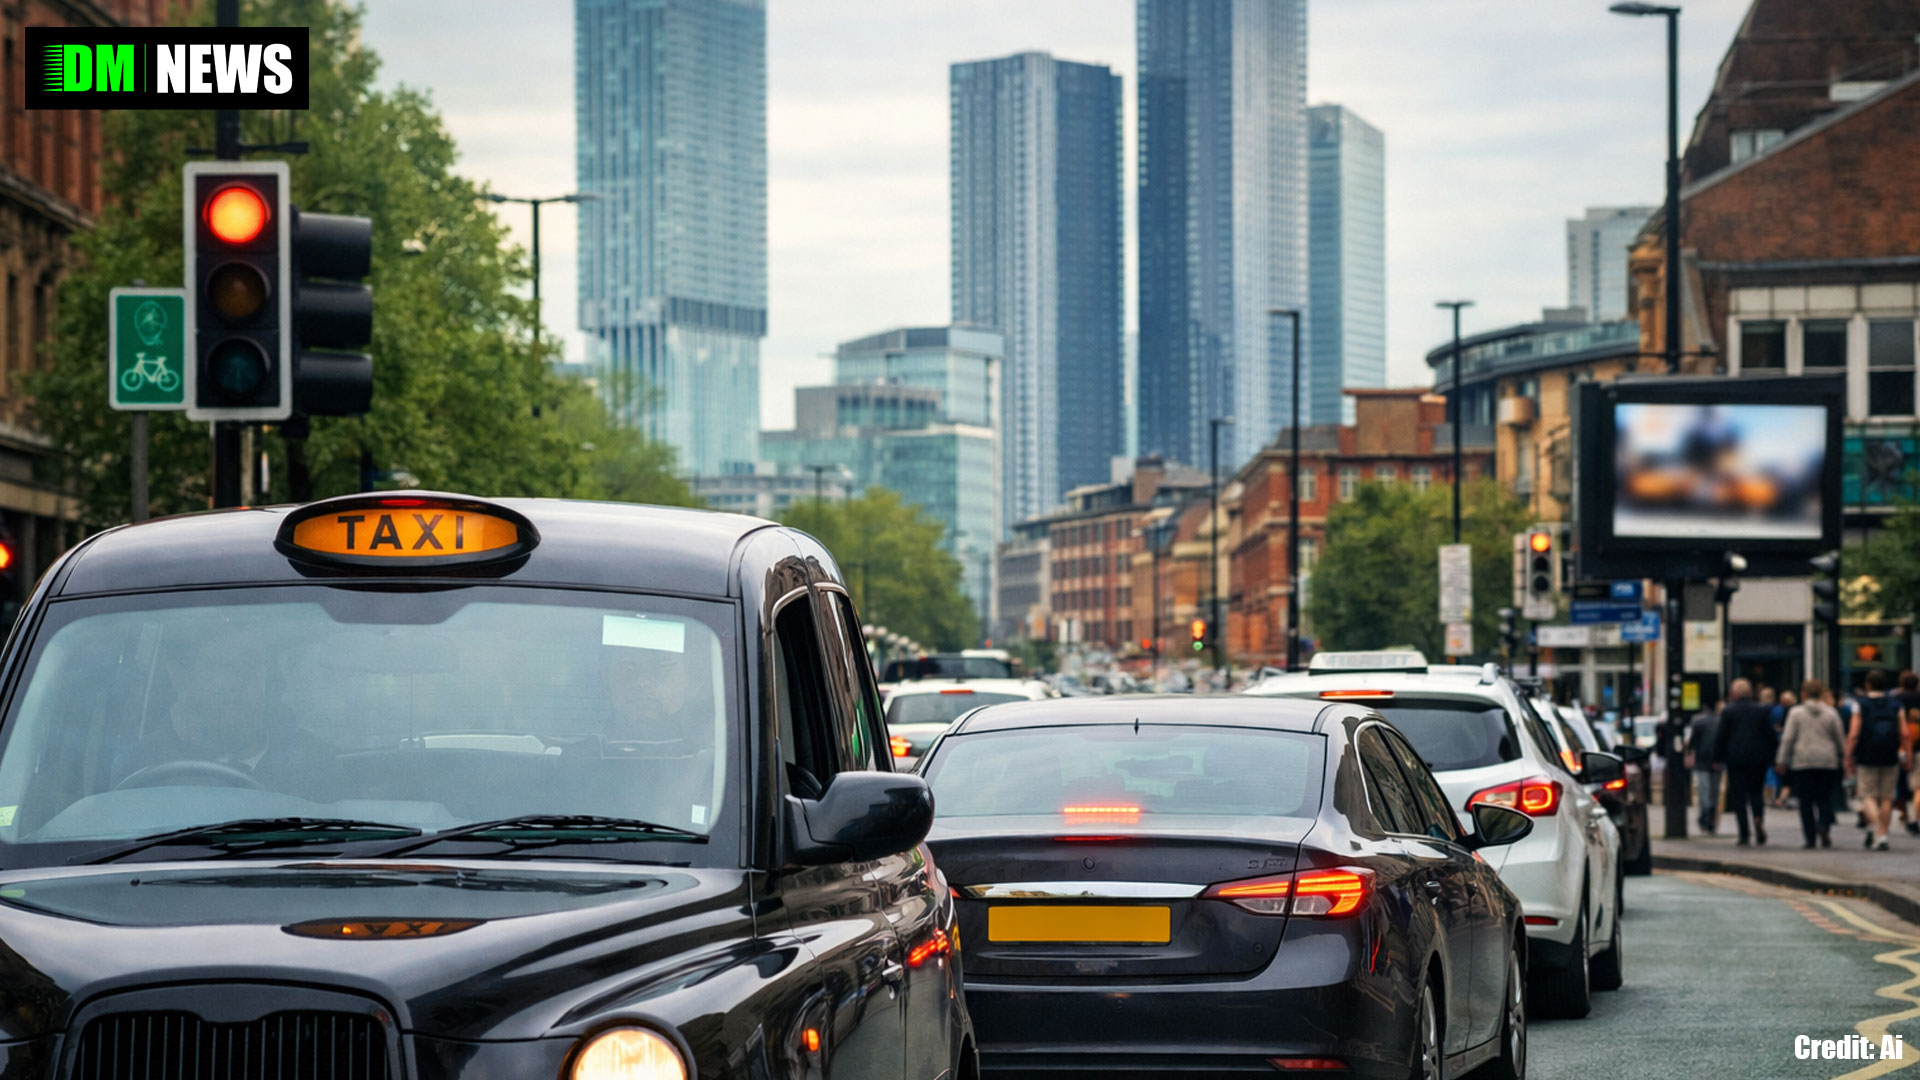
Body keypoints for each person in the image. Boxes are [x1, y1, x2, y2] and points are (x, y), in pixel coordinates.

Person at [1845, 669, 1912, 851]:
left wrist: (1848, 755)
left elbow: (1854, 733)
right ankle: (1883, 834)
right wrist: (1908, 755)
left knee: (1867, 795)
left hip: (1866, 755)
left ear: (1868, 685)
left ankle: (1877, 830)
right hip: (1890, 754)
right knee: (1887, 797)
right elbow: (1905, 734)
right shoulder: (1896, 705)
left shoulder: (1860, 704)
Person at [1777, 679, 1846, 848]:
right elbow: (1839, 737)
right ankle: (1823, 825)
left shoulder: (1796, 713)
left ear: (1804, 693)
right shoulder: (1831, 713)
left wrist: (1781, 760)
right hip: (1827, 761)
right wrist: (1843, 755)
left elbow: (1788, 738)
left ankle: (1810, 837)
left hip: (1803, 761)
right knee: (1824, 796)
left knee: (1805, 801)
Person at [1713, 679, 1779, 846]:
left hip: (1735, 759)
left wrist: (1717, 758)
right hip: (1758, 759)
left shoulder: (1728, 712)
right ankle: (1758, 818)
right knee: (1756, 792)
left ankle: (1744, 833)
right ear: (1750, 693)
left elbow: (1721, 737)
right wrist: (1774, 757)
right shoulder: (1761, 711)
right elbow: (1770, 736)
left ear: (1734, 694)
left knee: (1739, 797)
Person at [1687, 702, 1724, 835]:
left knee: (1704, 791)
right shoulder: (1721, 722)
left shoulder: (1698, 722)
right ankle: (1710, 821)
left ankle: (1705, 817)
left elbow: (1692, 743)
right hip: (1717, 762)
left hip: (1702, 762)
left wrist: (1690, 756)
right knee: (1714, 792)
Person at [1901, 671, 1920, 833]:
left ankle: (1904, 815)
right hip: (1918, 748)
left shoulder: (1895, 700)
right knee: (1918, 787)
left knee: (1897, 786)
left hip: (1899, 747)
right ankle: (1915, 818)